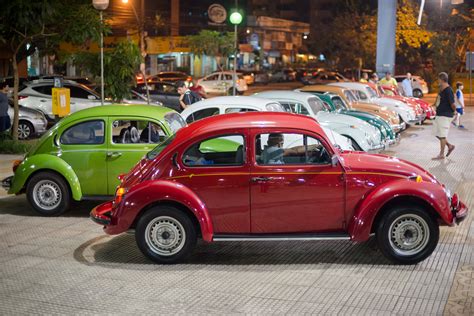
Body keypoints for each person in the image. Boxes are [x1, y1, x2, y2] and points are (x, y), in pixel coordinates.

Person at [432, 72, 456, 160]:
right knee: (436, 133)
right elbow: (438, 100)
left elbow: (452, 104)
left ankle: (441, 154)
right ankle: (449, 146)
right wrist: (433, 105)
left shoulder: (448, 90)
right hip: (439, 114)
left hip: (445, 115)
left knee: (442, 135)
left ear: (442, 80)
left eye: (438, 79)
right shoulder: (441, 89)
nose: (438, 81)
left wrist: (455, 112)